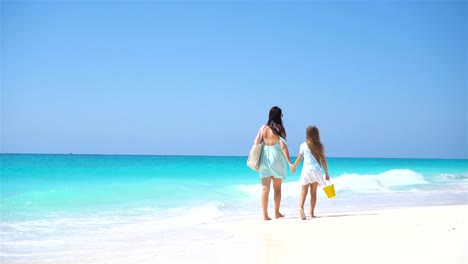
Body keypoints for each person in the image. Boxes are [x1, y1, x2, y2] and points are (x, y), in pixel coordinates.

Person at [253, 106, 293, 220]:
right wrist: (290, 162)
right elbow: (283, 147)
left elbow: (256, 142)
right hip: (277, 160)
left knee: (265, 188)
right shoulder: (280, 129)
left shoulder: (263, 128)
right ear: (279, 116)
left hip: (264, 160)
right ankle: (276, 213)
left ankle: (265, 216)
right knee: (277, 189)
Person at [291, 125, 330, 220]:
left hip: (306, 171)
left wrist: (294, 166)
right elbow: (324, 161)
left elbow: (299, 159)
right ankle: (311, 213)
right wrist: (327, 173)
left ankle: (301, 208)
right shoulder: (320, 146)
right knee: (313, 192)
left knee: (303, 191)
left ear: (307, 134)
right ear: (317, 134)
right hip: (316, 171)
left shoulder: (303, 145)